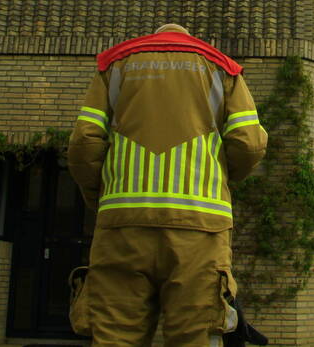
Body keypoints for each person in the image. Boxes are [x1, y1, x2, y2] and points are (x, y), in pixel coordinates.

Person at [68, 23, 268, 347]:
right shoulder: (221, 68)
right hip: (200, 229)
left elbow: (83, 143)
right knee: (195, 335)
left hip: (122, 228)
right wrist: (218, 182)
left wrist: (101, 199)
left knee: (114, 336)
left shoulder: (115, 66)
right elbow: (249, 144)